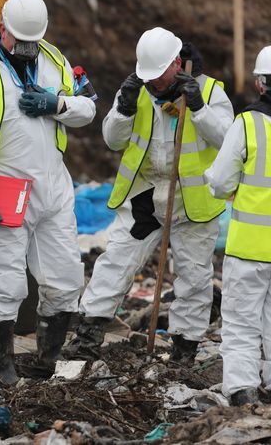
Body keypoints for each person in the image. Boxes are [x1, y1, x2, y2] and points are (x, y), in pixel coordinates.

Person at [0, 0, 97, 383]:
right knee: (6, 282)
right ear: (2, 30)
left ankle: (47, 361)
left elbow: (88, 107)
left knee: (66, 278)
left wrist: (57, 105)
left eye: (35, 41)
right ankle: (1, 366)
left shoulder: (52, 59)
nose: (29, 50)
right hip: (4, 188)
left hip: (52, 186)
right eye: (22, 42)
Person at [69, 28, 234, 364]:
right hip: (144, 196)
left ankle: (184, 348)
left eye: (159, 76)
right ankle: (87, 336)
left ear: (177, 62)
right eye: (150, 76)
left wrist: (199, 109)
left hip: (191, 203)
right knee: (115, 263)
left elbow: (228, 142)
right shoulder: (135, 89)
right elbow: (112, 140)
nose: (154, 83)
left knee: (193, 275)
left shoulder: (210, 91)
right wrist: (123, 110)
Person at [205, 46, 271, 406]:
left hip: (248, 249)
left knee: (243, 323)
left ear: (260, 84)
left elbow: (219, 182)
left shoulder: (248, 124)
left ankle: (243, 390)